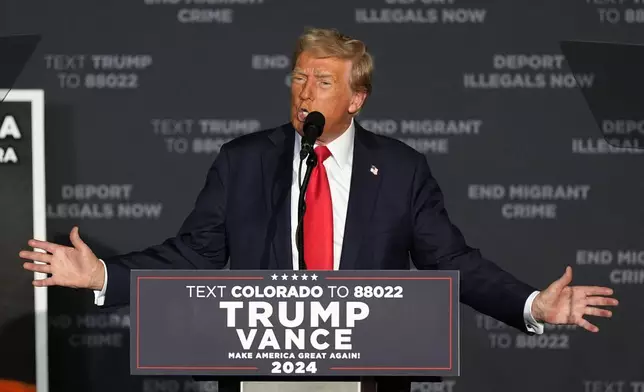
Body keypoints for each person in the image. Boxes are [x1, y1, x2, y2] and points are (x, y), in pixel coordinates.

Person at [20, 27, 618, 392]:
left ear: (357, 97)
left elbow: (450, 259)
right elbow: (194, 254)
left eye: (323, 81)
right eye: (299, 77)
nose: (304, 91)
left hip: (369, 375)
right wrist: (103, 275)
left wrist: (531, 303)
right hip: (259, 372)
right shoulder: (245, 160)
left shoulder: (402, 168)